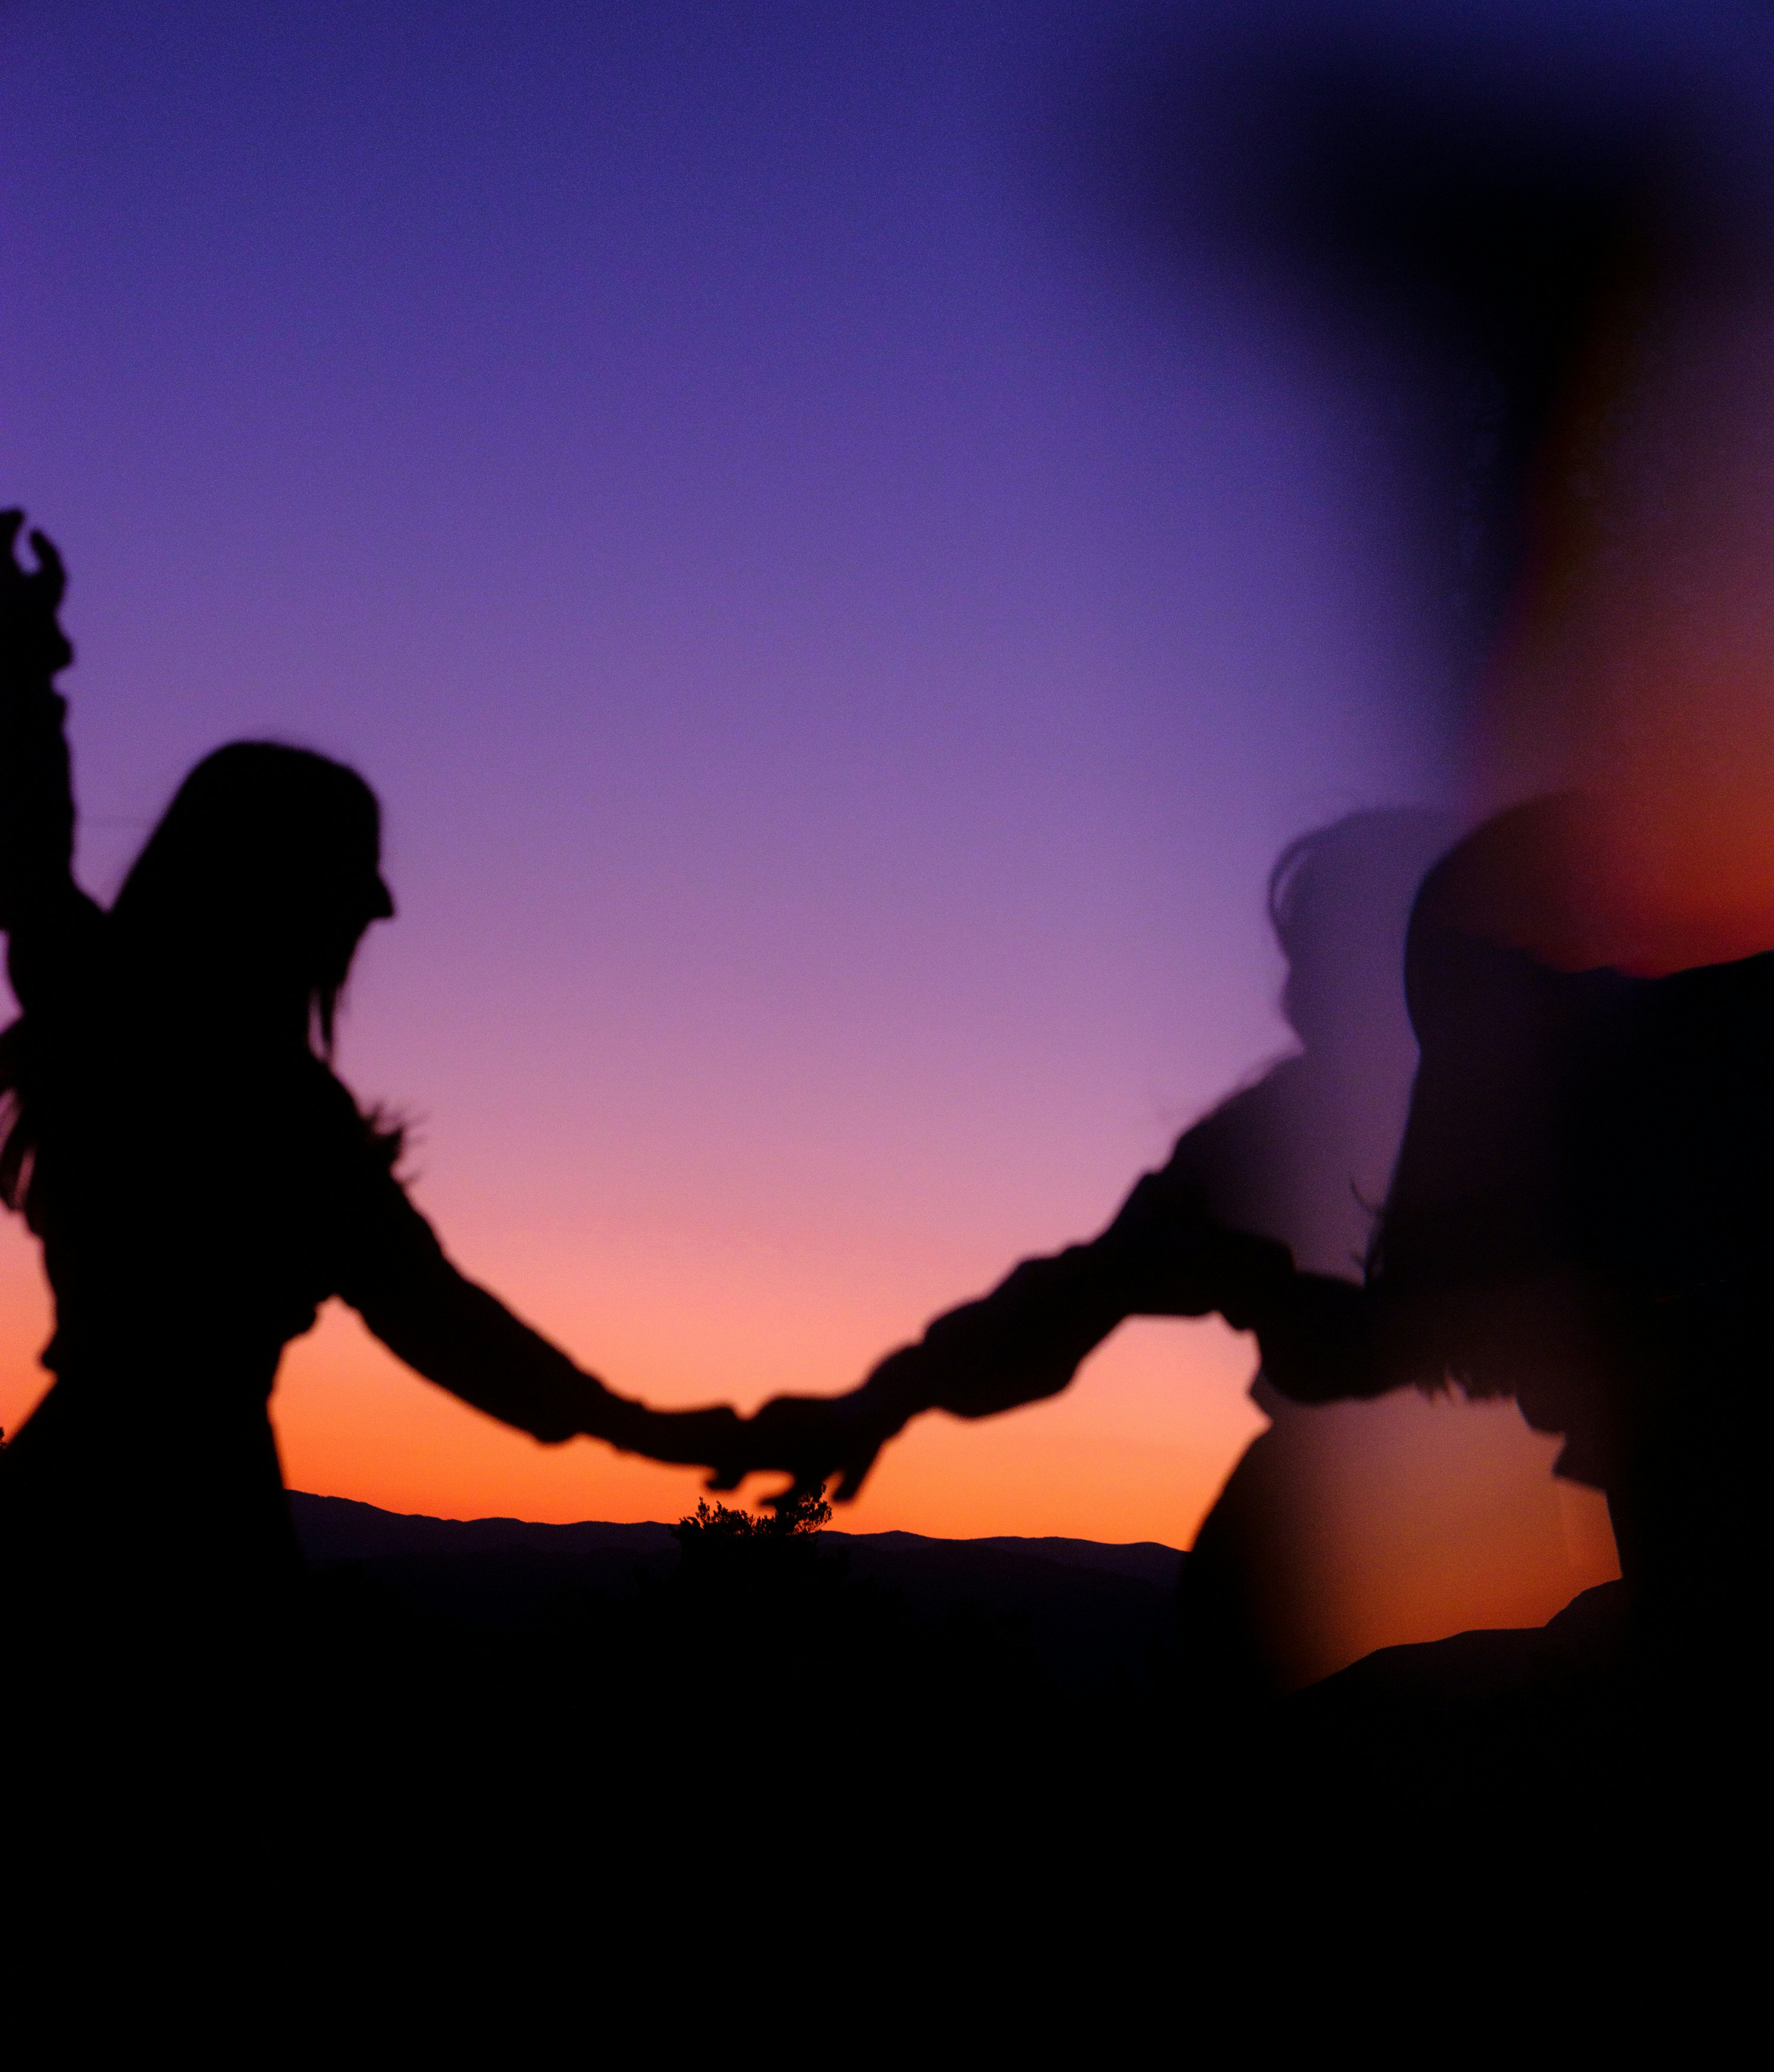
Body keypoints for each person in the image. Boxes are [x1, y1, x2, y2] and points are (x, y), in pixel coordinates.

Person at [743, 794, 1765, 1681]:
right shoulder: (1272, 1135)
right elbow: (1077, 1293)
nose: (1288, 998)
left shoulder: (1612, 1099)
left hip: (1530, 1517)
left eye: (1317, 962)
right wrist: (881, 1402)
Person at [0, 512, 749, 1671]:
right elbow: (443, 1321)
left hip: (52, 1503)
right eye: (353, 873)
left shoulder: (99, 1006)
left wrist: (33, 668)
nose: (382, 908)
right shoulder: (289, 1118)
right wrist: (643, 1427)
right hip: (195, 1536)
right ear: (280, 887)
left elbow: (27, 845)